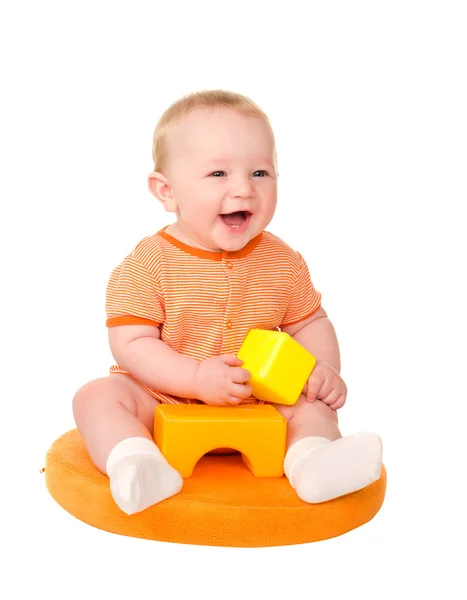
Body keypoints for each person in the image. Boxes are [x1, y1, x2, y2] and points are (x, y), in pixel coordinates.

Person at [72, 90, 383, 515]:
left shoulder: (282, 261)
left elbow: (309, 323)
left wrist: (324, 368)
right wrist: (196, 378)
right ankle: (137, 463)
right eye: (218, 174)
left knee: (311, 407)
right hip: (162, 397)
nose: (244, 190)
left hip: (257, 400)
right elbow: (132, 342)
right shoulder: (149, 263)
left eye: (260, 172)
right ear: (167, 192)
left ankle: (313, 462)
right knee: (96, 398)